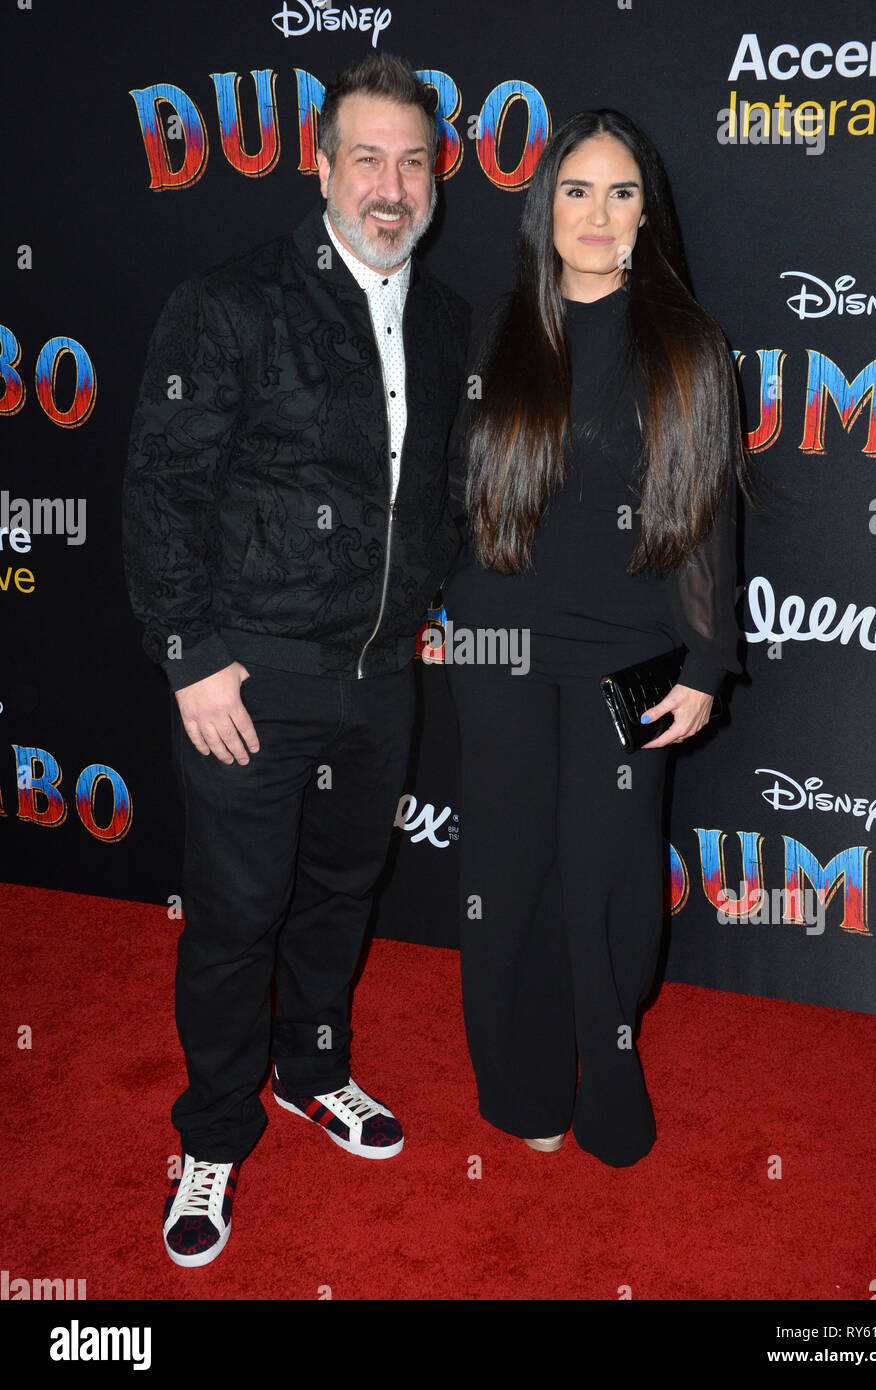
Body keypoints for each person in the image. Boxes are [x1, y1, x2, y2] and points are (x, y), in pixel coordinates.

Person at [122, 52, 469, 1266]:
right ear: (320, 167)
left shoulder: (446, 316)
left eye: (413, 161)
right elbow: (162, 488)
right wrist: (193, 657)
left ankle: (312, 1067)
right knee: (232, 916)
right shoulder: (231, 300)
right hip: (248, 681)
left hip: (379, 677)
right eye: (366, 157)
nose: (391, 183)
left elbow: (437, 495)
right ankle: (212, 1131)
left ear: (439, 177)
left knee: (338, 891)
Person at [442, 109, 759, 1167]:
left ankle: (610, 1077)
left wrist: (707, 662)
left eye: (620, 191)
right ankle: (525, 1084)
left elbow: (708, 513)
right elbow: (453, 492)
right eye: (575, 189)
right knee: (509, 868)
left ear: (645, 212)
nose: (597, 212)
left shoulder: (689, 343)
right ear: (545, 207)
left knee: (610, 878)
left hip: (629, 652)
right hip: (499, 644)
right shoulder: (495, 327)